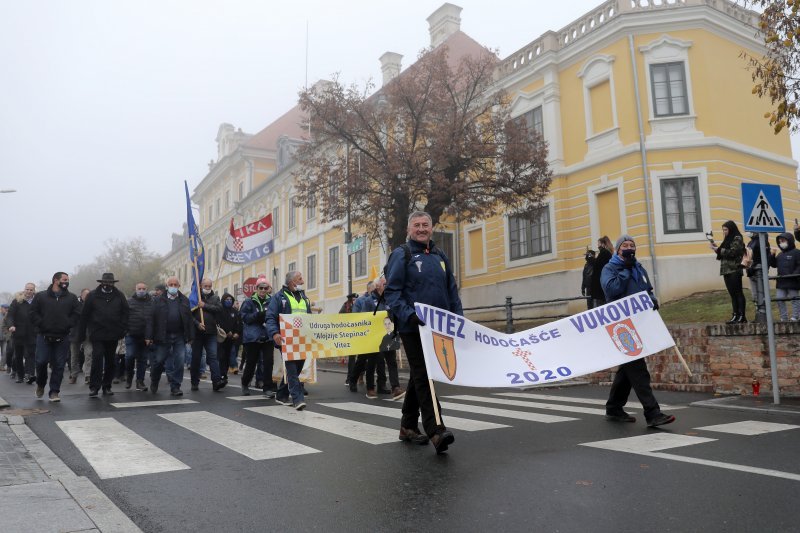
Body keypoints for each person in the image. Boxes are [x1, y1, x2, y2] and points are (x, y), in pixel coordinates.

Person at [384, 211, 461, 453]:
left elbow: (451, 290)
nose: (421, 229)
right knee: (424, 374)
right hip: (413, 326)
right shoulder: (401, 254)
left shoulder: (440, 255)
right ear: (409, 230)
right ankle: (436, 430)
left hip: (439, 328)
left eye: (425, 225)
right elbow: (392, 293)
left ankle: (407, 426)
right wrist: (409, 315)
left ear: (431, 228)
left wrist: (459, 322)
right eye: (416, 225)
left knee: (424, 375)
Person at [601, 234, 675, 428]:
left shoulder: (638, 267)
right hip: (621, 327)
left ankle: (614, 407)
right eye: (624, 245)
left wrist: (652, 299)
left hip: (640, 325)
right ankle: (653, 413)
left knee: (628, 369)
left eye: (631, 245)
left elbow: (646, 288)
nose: (628, 248)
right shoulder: (610, 268)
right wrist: (625, 269)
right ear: (617, 250)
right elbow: (611, 290)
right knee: (638, 369)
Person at [351, 276, 406, 400]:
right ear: (378, 287)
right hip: (374, 337)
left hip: (389, 335)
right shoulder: (369, 301)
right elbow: (364, 319)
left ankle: (395, 387)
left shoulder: (391, 300)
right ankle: (370, 388)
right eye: (385, 284)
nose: (387, 286)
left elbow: (394, 315)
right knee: (372, 362)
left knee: (392, 362)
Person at [29, 272, 80, 402]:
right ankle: (40, 384)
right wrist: (41, 323)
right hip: (44, 335)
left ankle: (54, 392)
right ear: (55, 280)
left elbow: (77, 313)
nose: (67, 282)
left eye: (68, 280)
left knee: (59, 365)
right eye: (64, 280)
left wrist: (68, 323)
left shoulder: (72, 298)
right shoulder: (41, 296)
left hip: (62, 336)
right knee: (41, 362)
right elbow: (33, 312)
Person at [79, 273, 130, 397]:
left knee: (111, 361)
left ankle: (107, 386)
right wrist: (82, 333)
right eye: (105, 282)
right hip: (97, 333)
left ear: (113, 283)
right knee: (97, 358)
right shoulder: (92, 295)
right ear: (101, 283)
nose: (108, 285)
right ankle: (94, 387)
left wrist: (122, 329)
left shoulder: (119, 295)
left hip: (113, 333)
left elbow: (126, 312)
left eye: (110, 282)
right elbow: (84, 315)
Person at [266, 271, 310, 410]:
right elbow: (270, 317)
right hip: (285, 339)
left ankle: (281, 394)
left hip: (302, 339)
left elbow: (309, 317)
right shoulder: (278, 297)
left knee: (297, 368)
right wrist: (274, 333)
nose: (303, 281)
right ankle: (298, 399)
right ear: (292, 282)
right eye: (300, 278)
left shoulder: (304, 297)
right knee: (291, 368)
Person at [146, 276, 193, 396]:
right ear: (167, 286)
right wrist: (148, 336)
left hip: (179, 336)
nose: (173, 287)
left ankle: (176, 386)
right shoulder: (158, 300)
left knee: (180, 361)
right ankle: (155, 380)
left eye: (175, 284)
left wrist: (191, 336)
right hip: (163, 335)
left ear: (179, 286)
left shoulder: (184, 300)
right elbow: (151, 319)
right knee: (159, 361)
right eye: (170, 284)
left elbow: (189, 319)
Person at [240, 278, 275, 397]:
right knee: (251, 362)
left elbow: (275, 316)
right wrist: (258, 315)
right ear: (256, 289)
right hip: (252, 337)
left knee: (268, 362)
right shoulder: (249, 302)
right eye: (261, 288)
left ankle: (267, 387)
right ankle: (245, 383)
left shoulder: (272, 301)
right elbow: (244, 317)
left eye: (266, 288)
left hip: (268, 336)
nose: (263, 290)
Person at [189, 278, 225, 392]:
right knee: (196, 358)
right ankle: (194, 382)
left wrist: (204, 306)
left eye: (209, 286)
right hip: (197, 333)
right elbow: (189, 315)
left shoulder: (215, 298)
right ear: (201, 285)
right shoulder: (194, 298)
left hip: (211, 333)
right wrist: (197, 324)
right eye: (205, 286)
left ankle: (217, 381)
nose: (207, 288)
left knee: (213, 357)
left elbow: (219, 309)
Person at [709, 220, 746, 323]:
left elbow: (733, 252)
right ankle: (735, 315)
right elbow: (722, 253)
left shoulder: (737, 238)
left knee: (738, 293)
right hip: (726, 270)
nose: (724, 232)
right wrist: (716, 249)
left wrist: (720, 250)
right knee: (732, 294)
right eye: (723, 230)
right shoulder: (727, 239)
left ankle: (742, 316)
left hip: (734, 269)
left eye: (726, 229)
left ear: (731, 229)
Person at [7, 283, 37, 384]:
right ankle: (20, 375)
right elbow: (10, 315)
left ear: (34, 291)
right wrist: (11, 325)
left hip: (32, 333)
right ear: (24, 290)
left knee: (31, 354)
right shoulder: (17, 301)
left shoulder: (37, 302)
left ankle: (30, 374)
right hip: (18, 333)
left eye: (31, 290)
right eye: (27, 289)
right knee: (18, 356)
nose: (29, 291)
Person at [125, 282, 153, 391]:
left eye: (143, 288)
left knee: (142, 359)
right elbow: (124, 317)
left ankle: (140, 381)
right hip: (131, 334)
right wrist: (126, 331)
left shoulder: (152, 302)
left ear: (147, 289)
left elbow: (153, 319)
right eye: (139, 288)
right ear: (135, 289)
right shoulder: (129, 302)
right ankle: (129, 376)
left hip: (146, 336)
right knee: (130, 356)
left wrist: (150, 336)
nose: (141, 290)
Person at [768, 232, 800, 321]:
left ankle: (795, 316)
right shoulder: (780, 254)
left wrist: (794, 274)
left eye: (783, 240)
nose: (781, 243)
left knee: (795, 299)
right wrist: (772, 255)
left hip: (793, 281)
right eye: (780, 241)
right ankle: (784, 317)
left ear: (789, 241)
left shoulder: (797, 253)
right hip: (781, 282)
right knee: (779, 299)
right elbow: (774, 265)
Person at [216, 292, 242, 384]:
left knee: (228, 357)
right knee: (221, 357)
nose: (229, 301)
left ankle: (225, 373)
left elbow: (238, 323)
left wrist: (237, 332)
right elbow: (219, 322)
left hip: (231, 339)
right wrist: (227, 331)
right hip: (222, 338)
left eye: (230, 300)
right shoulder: (220, 311)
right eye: (227, 300)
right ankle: (221, 374)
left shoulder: (235, 312)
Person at [745, 233, 770, 323]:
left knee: (762, 294)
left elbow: (765, 256)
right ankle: (758, 315)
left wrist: (764, 268)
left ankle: (765, 315)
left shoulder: (762, 240)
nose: (749, 232)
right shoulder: (750, 242)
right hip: (751, 270)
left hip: (759, 270)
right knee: (755, 296)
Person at [68, 289, 91, 384]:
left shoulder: (92, 304)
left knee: (89, 354)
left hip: (88, 333)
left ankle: (88, 375)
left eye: (88, 294)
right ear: (81, 295)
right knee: (74, 356)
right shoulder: (74, 304)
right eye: (85, 294)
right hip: (75, 332)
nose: (87, 296)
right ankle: (74, 375)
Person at [590, 236, 613, 308]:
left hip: (599, 284)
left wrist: (590, 258)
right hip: (602, 282)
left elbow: (597, 264)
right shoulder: (606, 253)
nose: (597, 245)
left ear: (603, 244)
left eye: (598, 243)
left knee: (600, 306)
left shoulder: (604, 253)